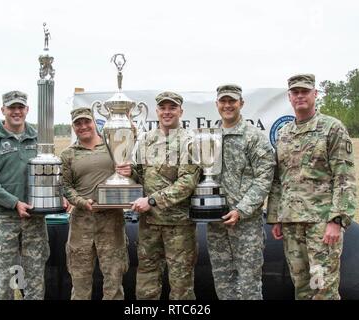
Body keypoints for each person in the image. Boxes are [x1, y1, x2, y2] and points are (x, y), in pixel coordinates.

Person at [267, 74, 357, 300]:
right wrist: (276, 216)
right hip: (291, 224)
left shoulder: (331, 128)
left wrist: (336, 220)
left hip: (321, 224)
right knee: (302, 286)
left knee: (322, 286)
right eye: (295, 92)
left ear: (315, 94)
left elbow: (344, 177)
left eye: (304, 92)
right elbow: (279, 179)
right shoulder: (284, 133)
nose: (300, 96)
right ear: (289, 97)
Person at [0, 90, 68, 299]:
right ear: (3, 110)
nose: (16, 112)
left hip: (34, 221)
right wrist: (14, 202)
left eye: (20, 107)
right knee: (4, 280)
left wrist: (58, 195)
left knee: (35, 279)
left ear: (27, 110)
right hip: (2, 221)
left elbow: (50, 173)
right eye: (11, 108)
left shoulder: (40, 140)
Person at [116, 91, 201, 300]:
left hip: (178, 226)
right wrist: (131, 173)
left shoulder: (190, 141)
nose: (167, 112)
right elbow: (142, 175)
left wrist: (152, 201)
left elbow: (186, 183)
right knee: (146, 280)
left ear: (181, 111)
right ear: (157, 111)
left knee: (181, 285)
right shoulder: (146, 140)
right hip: (150, 225)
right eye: (163, 108)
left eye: (172, 108)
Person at [206, 84, 275, 300]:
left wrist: (241, 210)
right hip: (216, 223)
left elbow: (264, 178)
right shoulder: (209, 138)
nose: (227, 105)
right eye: (223, 101)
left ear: (241, 104)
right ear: (217, 104)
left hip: (246, 224)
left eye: (232, 101)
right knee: (223, 282)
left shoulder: (254, 138)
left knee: (249, 284)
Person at [60, 107, 129, 300]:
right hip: (81, 224)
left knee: (114, 284)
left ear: (94, 122)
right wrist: (81, 202)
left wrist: (128, 172)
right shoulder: (68, 154)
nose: (83, 127)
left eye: (86, 122)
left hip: (112, 223)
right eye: (78, 123)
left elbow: (132, 175)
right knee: (80, 285)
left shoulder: (112, 147)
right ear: (73, 127)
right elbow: (64, 186)